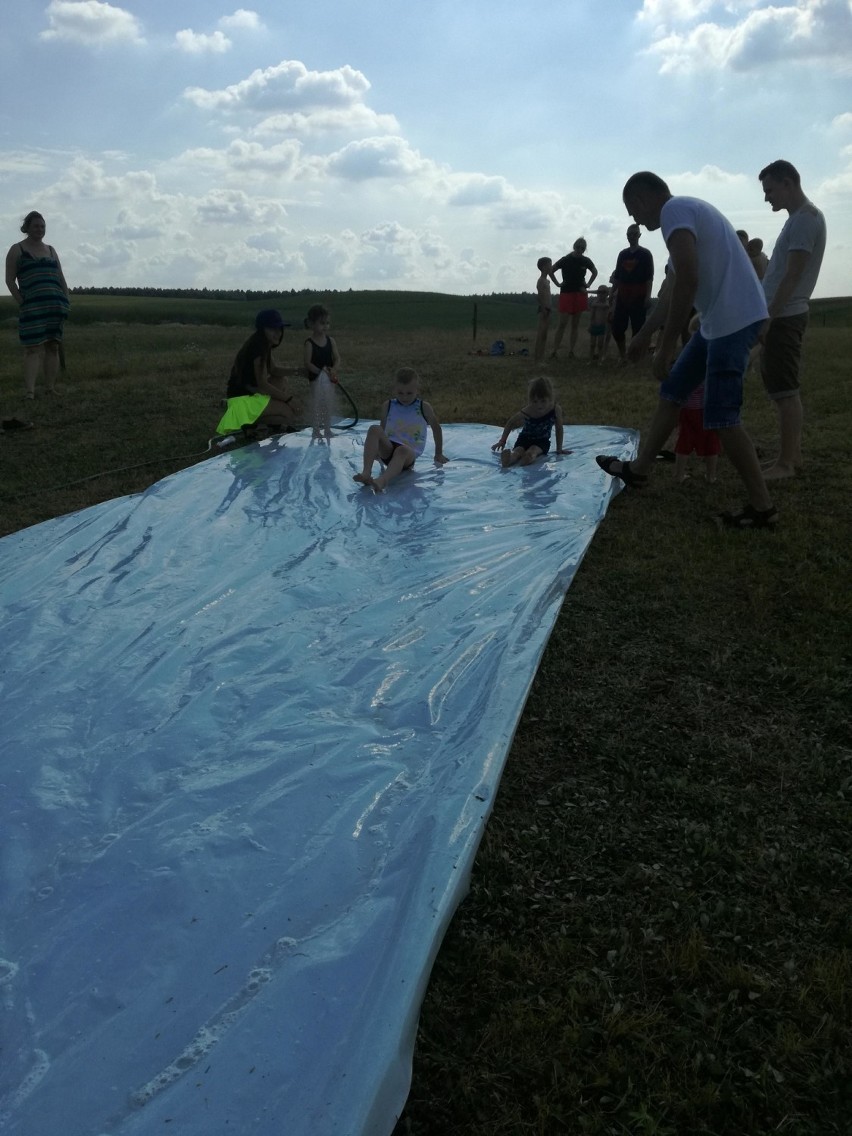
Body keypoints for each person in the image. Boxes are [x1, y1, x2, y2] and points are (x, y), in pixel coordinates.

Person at [596, 171, 776, 530]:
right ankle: (639, 470)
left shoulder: (673, 212)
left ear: (644, 199)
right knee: (673, 392)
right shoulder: (682, 216)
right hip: (716, 323)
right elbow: (673, 288)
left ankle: (762, 508)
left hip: (734, 321)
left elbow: (689, 279)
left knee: (722, 416)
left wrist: (663, 348)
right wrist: (644, 334)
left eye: (632, 209)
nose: (634, 219)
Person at [757, 160, 826, 480]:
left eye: (770, 190)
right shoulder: (799, 219)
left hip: (785, 315)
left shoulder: (805, 220)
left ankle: (786, 463)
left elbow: (793, 274)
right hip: (781, 314)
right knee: (781, 388)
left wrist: (769, 317)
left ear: (788, 183)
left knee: (785, 390)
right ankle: (790, 456)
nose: (767, 197)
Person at [5, 211, 70, 399]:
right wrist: (22, 302)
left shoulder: (51, 250)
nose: (40, 229)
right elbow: (10, 281)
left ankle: (50, 388)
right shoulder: (17, 250)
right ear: (27, 228)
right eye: (36, 226)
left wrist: (66, 301)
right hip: (32, 309)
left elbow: (61, 278)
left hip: (55, 306)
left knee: (53, 347)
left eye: (42, 226)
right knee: (32, 348)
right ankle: (30, 392)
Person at [353, 367, 448, 490]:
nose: (404, 397)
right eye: (400, 393)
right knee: (374, 429)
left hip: (407, 455)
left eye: (409, 393)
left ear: (417, 390)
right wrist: (377, 449)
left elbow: (436, 428)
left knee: (402, 450)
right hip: (388, 449)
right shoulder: (388, 405)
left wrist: (438, 453)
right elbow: (382, 429)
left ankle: (382, 480)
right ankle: (366, 472)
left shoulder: (423, 407)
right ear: (394, 390)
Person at [215, 310, 299, 438]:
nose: (278, 333)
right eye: (273, 329)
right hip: (242, 399)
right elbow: (263, 385)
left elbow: (274, 370)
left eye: (280, 329)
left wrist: (299, 371)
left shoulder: (263, 344)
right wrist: (289, 400)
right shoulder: (257, 349)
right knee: (288, 415)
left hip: (250, 393)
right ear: (262, 329)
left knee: (281, 380)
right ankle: (246, 421)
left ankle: (262, 420)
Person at [491, 376, 571, 467]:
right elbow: (511, 422)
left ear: (550, 398)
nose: (539, 405)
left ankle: (528, 458)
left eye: (543, 401)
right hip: (524, 439)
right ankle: (508, 460)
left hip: (542, 442)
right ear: (530, 400)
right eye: (535, 401)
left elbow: (559, 428)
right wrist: (502, 441)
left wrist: (559, 449)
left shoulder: (555, 409)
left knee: (533, 451)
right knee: (518, 451)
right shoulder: (528, 410)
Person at [610, 223, 654, 363]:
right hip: (623, 294)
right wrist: (612, 294)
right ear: (627, 236)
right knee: (617, 328)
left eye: (635, 234)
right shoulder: (622, 254)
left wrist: (648, 296)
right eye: (630, 234)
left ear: (639, 235)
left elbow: (649, 278)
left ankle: (635, 357)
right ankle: (623, 355)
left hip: (639, 295)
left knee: (638, 329)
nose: (632, 237)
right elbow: (617, 277)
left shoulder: (645, 254)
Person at [549, 238, 597, 359]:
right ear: (574, 246)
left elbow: (595, 272)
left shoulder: (586, 260)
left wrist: (588, 284)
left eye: (582, 248)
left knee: (575, 324)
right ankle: (554, 351)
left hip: (580, 294)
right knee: (562, 323)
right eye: (578, 247)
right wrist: (558, 284)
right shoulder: (565, 260)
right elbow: (551, 271)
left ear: (584, 249)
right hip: (566, 293)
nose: (580, 249)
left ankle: (571, 351)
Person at [304, 304, 341, 441]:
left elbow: (337, 358)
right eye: (321, 323)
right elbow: (307, 363)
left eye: (327, 323)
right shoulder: (309, 343)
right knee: (317, 404)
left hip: (330, 379)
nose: (325, 326)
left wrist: (334, 369)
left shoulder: (331, 341)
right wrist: (320, 372)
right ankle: (316, 430)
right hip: (316, 380)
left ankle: (327, 429)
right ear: (312, 324)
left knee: (328, 404)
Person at [674, 381, 720, 483]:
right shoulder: (711, 368)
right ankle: (711, 476)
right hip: (709, 410)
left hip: (687, 409)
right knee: (711, 442)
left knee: (684, 442)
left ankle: (679, 475)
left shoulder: (688, 367)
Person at [533, 257, 553, 365]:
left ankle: (541, 356)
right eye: (550, 264)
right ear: (544, 267)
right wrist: (544, 307)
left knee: (544, 334)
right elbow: (539, 295)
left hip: (548, 308)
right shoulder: (541, 281)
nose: (551, 267)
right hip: (544, 309)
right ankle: (537, 358)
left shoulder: (547, 280)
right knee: (541, 333)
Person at [587, 285, 612, 364]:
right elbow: (592, 315)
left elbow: (607, 306)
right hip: (594, 325)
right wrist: (590, 324)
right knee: (592, 344)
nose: (601, 294)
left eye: (603, 292)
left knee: (600, 345)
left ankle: (599, 360)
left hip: (602, 326)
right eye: (599, 292)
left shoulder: (606, 302)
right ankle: (590, 360)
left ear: (607, 294)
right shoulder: (595, 302)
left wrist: (596, 305)